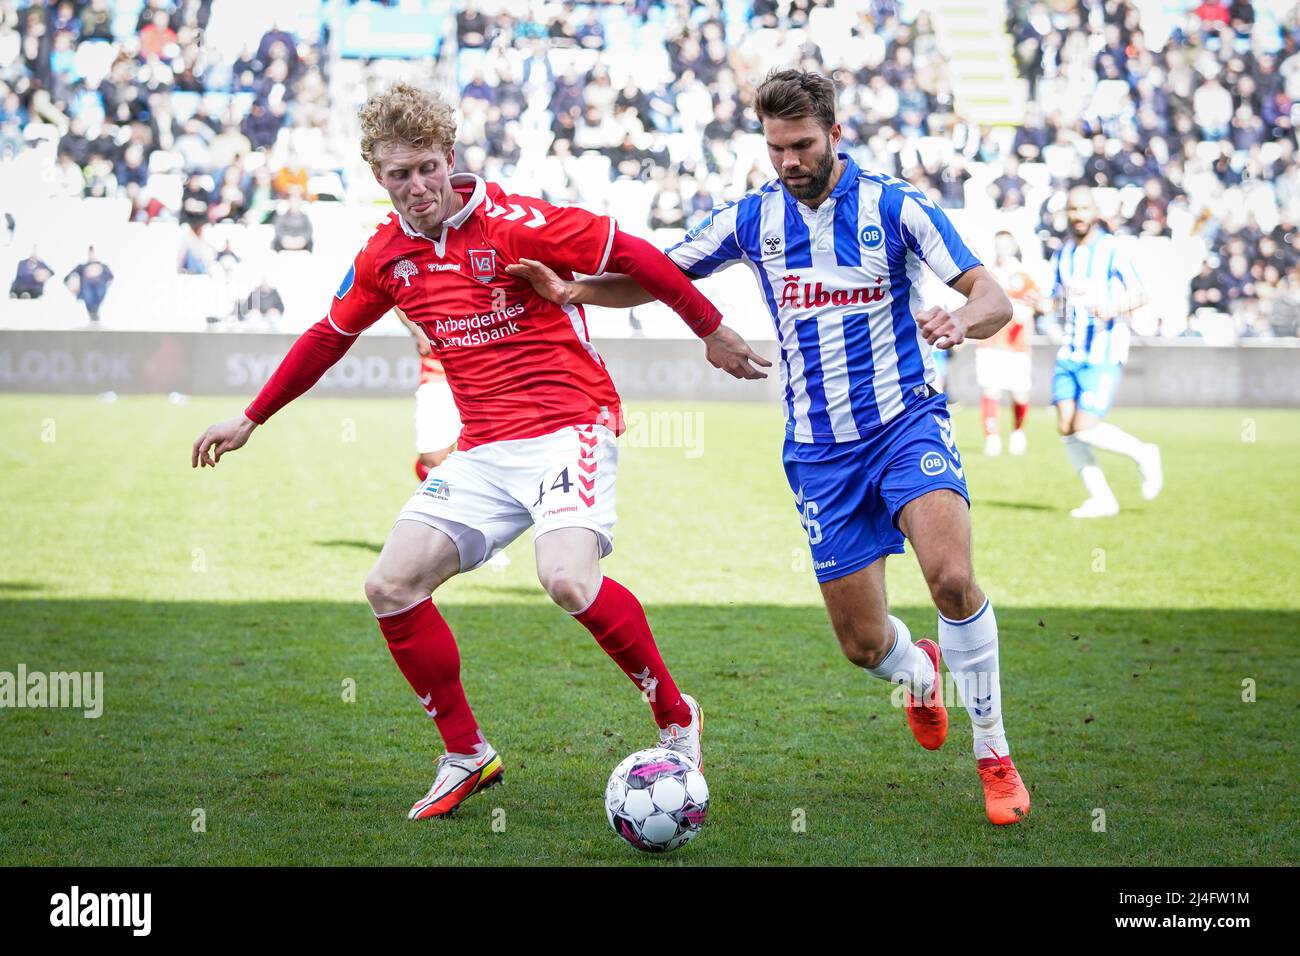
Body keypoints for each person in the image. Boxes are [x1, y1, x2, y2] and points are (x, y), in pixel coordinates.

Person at [192, 82, 766, 820]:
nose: (418, 186)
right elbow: (329, 337)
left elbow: (639, 255)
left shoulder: (517, 221)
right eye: (399, 174)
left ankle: (675, 714)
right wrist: (252, 417)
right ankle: (466, 753)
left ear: (450, 157)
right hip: (485, 449)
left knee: (566, 581)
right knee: (389, 586)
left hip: (569, 423)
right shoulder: (385, 255)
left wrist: (711, 328)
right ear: (378, 177)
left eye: (428, 167)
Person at [510, 69, 1030, 826]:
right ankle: (919, 673)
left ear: (835, 134)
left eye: (802, 145)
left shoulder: (897, 206)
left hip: (905, 422)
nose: (789, 161)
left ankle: (994, 754)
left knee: (951, 578)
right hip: (819, 451)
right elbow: (656, 273)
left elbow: (993, 297)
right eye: (776, 147)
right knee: (860, 644)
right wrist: (576, 291)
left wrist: (962, 320)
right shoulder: (754, 218)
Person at [1050, 186, 1162, 518]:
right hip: (1069, 351)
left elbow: (1141, 293)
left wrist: (1113, 307)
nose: (1078, 215)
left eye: (1084, 209)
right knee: (1066, 425)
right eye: (1072, 209)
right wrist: (1047, 306)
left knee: (1085, 426)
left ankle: (1144, 453)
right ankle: (1102, 499)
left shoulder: (1113, 250)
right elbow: (1060, 303)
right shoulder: (1063, 254)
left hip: (1102, 351)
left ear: (1096, 212)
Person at [978, 231, 1040, 456]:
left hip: (1017, 344)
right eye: (998, 245)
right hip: (991, 341)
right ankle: (992, 438)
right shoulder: (988, 274)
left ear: (1013, 247)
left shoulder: (1022, 275)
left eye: (1005, 245)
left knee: (1019, 393)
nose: (1001, 249)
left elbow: (1036, 303)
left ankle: (1017, 432)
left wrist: (1024, 312)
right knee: (990, 389)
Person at [64, 247, 113, 322]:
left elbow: (111, 277)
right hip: (86, 287)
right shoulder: (81, 267)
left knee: (99, 290)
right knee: (88, 293)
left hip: (99, 287)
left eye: (93, 253)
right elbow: (67, 278)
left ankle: (94, 311)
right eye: (90, 253)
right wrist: (74, 287)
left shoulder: (103, 267)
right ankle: (93, 311)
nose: (92, 255)